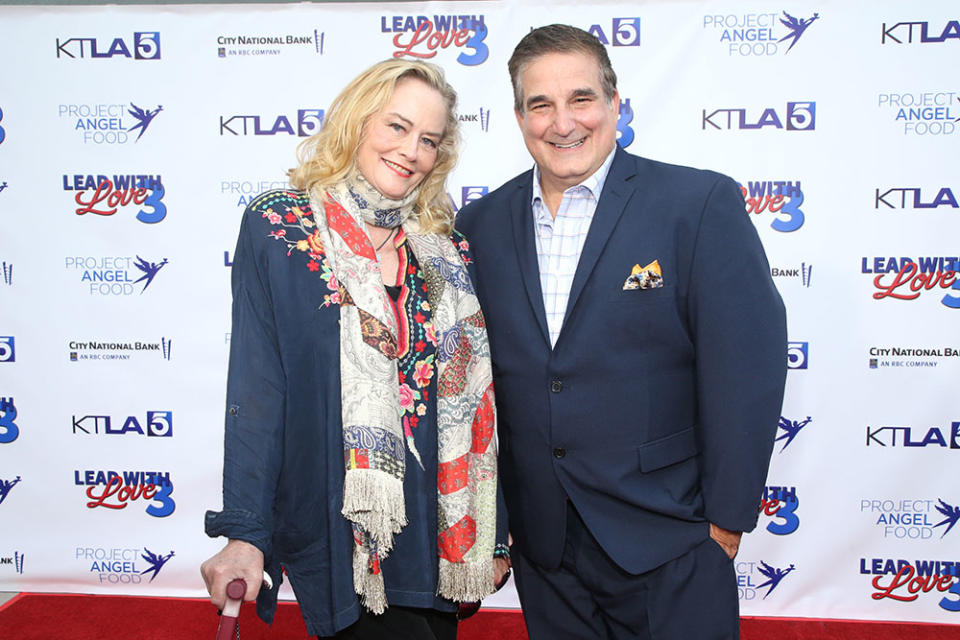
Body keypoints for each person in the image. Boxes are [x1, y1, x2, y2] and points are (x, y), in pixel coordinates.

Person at [456, 25, 787, 640]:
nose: (563, 123)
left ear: (615, 103)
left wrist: (724, 523)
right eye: (541, 105)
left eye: (581, 99)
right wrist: (496, 518)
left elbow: (748, 370)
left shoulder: (698, 203)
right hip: (544, 547)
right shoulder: (478, 225)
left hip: (670, 534)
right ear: (518, 115)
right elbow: (474, 388)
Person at [202, 59, 509, 640]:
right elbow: (258, 388)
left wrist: (493, 533)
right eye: (396, 126)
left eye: (428, 139)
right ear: (357, 121)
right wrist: (245, 531)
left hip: (440, 535)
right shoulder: (280, 228)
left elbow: (480, 406)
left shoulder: (446, 249)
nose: (410, 150)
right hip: (345, 527)